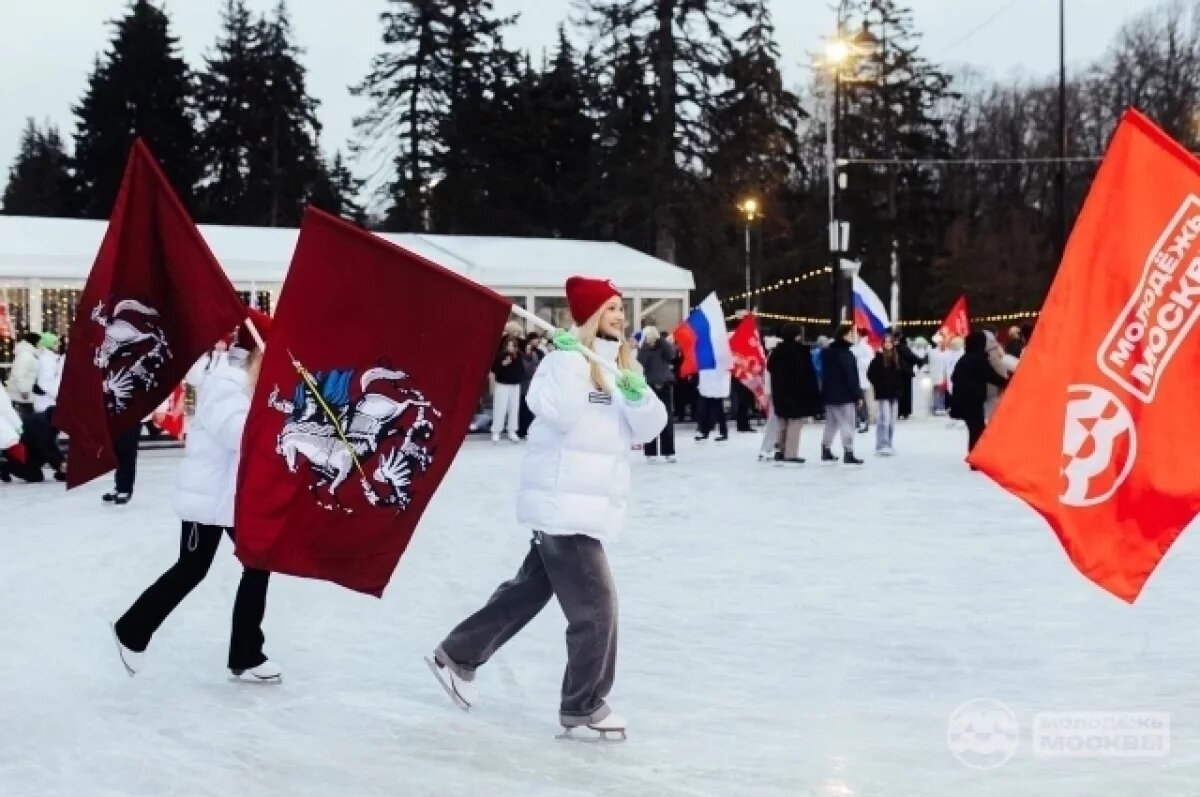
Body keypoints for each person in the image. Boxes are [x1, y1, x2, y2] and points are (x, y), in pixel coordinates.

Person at [427, 276, 667, 741]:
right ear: (592, 314)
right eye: (611, 308)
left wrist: (638, 392)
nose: (620, 316)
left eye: (622, 308)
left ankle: (458, 655)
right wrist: (572, 361)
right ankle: (584, 705)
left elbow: (648, 428)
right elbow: (559, 414)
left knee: (527, 592)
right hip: (563, 506)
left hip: (587, 503)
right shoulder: (564, 362)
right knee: (598, 610)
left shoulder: (618, 363)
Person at [111, 311, 282, 683]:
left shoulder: (245, 382)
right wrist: (276, 423)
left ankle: (246, 652)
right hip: (207, 499)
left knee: (258, 564)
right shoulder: (227, 382)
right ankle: (132, 629)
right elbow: (237, 434)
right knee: (191, 569)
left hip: (232, 500)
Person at [766, 323, 821, 464]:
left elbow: (770, 367)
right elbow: (807, 374)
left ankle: (780, 450)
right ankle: (791, 453)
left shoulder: (777, 351)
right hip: (796, 393)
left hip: (780, 392)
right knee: (795, 423)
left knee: (782, 422)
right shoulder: (801, 351)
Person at [950, 330, 1009, 457]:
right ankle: (975, 457)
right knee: (977, 429)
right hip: (972, 400)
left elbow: (954, 377)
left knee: (975, 428)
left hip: (963, 398)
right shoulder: (978, 359)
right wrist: (1008, 383)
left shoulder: (965, 358)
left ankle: (975, 456)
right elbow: (990, 375)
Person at [819, 323, 864, 465]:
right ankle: (848, 452)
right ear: (844, 335)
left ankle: (826, 448)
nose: (854, 336)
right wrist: (858, 395)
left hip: (830, 395)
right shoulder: (846, 354)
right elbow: (851, 376)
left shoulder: (827, 353)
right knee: (847, 424)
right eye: (852, 334)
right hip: (844, 395)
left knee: (831, 424)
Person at [637, 325, 677, 462]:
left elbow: (671, 353)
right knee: (650, 418)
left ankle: (668, 451)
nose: (652, 337)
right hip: (650, 387)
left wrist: (661, 340)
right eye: (649, 335)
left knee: (667, 419)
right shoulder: (644, 349)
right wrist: (646, 345)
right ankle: (651, 452)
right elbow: (640, 362)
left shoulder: (663, 347)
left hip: (665, 385)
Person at [867, 334, 906, 456]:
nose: (888, 344)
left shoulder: (897, 359)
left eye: (890, 342)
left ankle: (888, 443)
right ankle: (881, 444)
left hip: (894, 394)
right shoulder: (878, 359)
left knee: (892, 421)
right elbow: (870, 374)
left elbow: (903, 373)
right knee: (884, 418)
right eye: (886, 342)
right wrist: (879, 385)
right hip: (883, 394)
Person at [491, 334, 525, 443]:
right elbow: (494, 369)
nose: (510, 348)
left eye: (512, 346)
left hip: (515, 386)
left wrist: (517, 379)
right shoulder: (500, 355)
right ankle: (496, 431)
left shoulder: (519, 356)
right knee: (500, 408)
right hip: (502, 385)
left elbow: (522, 371)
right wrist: (503, 365)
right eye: (508, 346)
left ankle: (512, 431)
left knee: (514, 408)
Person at [5, 332, 41, 419]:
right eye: (40, 342)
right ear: (34, 341)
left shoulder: (30, 354)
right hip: (21, 395)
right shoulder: (25, 355)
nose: (40, 344)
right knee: (26, 419)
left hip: (24, 394)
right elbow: (19, 374)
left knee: (27, 418)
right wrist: (24, 390)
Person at [695, 366, 730, 441]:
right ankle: (706, 431)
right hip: (709, 380)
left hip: (716, 381)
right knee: (707, 407)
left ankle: (722, 432)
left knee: (717, 408)